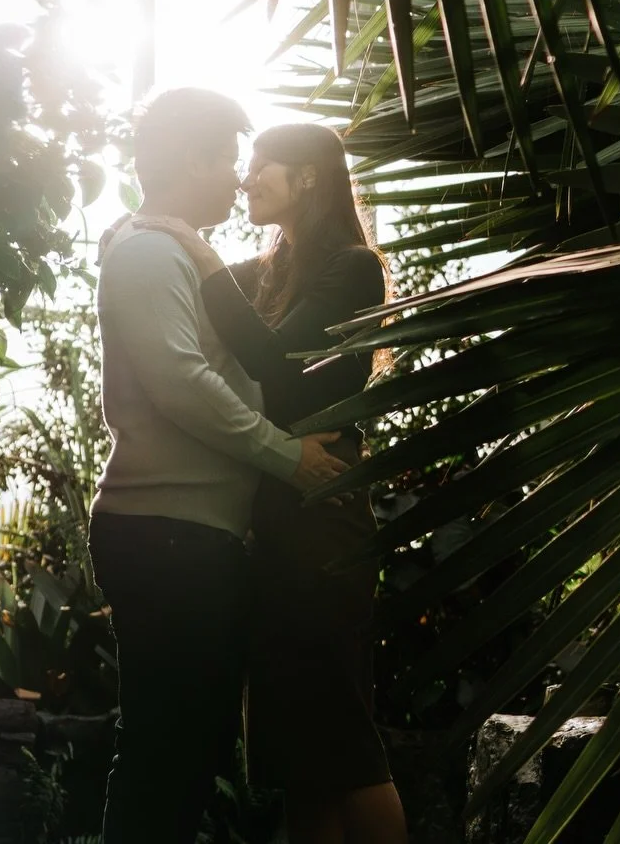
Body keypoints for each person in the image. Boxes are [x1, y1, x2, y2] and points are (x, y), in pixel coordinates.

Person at [140, 120, 408, 844]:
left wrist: (197, 253)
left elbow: (280, 369)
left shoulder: (352, 268)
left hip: (324, 514)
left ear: (310, 177)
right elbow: (207, 348)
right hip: (274, 514)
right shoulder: (265, 271)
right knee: (295, 756)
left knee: (344, 741)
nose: (245, 179)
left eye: (262, 166)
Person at [89, 89, 346, 844]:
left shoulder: (165, 251)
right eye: (228, 160)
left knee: (187, 754)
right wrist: (287, 455)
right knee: (164, 757)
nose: (238, 179)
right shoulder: (146, 254)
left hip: (191, 535)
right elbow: (183, 386)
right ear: (194, 160)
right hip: (165, 536)